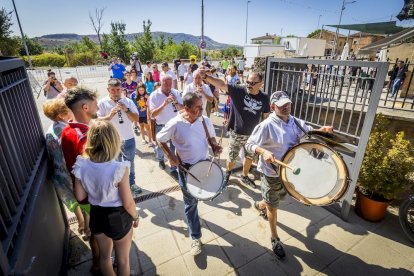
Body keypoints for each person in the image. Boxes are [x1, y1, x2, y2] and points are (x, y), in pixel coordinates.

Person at [245, 91, 333, 259]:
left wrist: (322, 130)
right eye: (282, 106)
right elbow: (249, 144)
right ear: (272, 107)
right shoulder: (266, 125)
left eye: (288, 104)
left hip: (289, 172)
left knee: (275, 198)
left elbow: (309, 134)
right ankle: (275, 238)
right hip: (271, 173)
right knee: (274, 205)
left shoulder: (296, 122)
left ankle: (260, 204)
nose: (286, 108)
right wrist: (263, 152)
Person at [156, 92, 222, 256]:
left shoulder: (204, 120)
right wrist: (170, 156)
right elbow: (160, 138)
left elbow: (211, 138)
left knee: (203, 196)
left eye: (202, 106)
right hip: (187, 170)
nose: (202, 109)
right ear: (186, 108)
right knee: (191, 205)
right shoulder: (175, 123)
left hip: (205, 167)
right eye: (198, 107)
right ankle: (195, 237)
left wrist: (215, 146)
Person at [73, 120, 139, 276]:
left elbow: (80, 196)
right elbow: (128, 202)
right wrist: (135, 216)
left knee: (104, 257)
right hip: (118, 216)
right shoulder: (119, 168)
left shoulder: (80, 165)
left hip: (96, 214)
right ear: (113, 141)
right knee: (123, 261)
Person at [200, 70, 270, 188]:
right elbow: (221, 84)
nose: (249, 85)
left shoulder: (264, 97)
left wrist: (262, 134)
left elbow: (266, 116)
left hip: (253, 135)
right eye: (247, 82)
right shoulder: (239, 91)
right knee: (232, 157)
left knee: (249, 157)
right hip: (237, 132)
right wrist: (206, 77)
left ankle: (244, 175)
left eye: (253, 83)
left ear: (260, 84)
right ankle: (227, 174)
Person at [61, 86, 100, 273]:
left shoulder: (68, 129)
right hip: (94, 196)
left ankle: (98, 263)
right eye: (95, 103)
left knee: (93, 228)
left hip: (82, 194)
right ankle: (101, 264)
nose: (97, 105)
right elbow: (96, 172)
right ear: (85, 107)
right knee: (99, 232)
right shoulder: (85, 137)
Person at [43, 99, 88, 237]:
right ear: (62, 115)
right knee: (83, 199)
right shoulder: (66, 130)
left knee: (73, 199)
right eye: (69, 109)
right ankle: (87, 227)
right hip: (71, 172)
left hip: (61, 174)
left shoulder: (52, 129)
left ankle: (81, 223)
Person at [97, 79, 142, 195]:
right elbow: (97, 121)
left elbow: (136, 119)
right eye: (113, 90)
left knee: (129, 164)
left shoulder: (128, 101)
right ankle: (118, 185)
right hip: (111, 140)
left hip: (128, 139)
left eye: (118, 90)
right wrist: (110, 115)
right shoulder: (102, 103)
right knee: (115, 165)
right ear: (108, 90)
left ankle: (132, 184)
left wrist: (126, 110)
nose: (116, 93)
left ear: (122, 89)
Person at [149, 75, 183, 179]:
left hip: (174, 126)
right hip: (161, 126)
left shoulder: (176, 92)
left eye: (170, 83)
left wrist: (176, 102)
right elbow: (152, 114)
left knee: (173, 148)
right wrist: (164, 104)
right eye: (165, 83)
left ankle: (173, 169)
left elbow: (182, 109)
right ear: (160, 82)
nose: (168, 86)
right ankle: (160, 160)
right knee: (160, 147)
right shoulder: (154, 95)